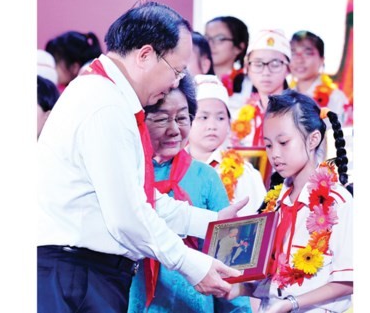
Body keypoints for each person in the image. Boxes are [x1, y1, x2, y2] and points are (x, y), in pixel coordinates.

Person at [37, 1, 249, 313]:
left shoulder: (105, 96)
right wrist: (191, 264)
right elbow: (128, 217)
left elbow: (142, 200)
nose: (176, 83)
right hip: (75, 275)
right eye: (176, 70)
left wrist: (210, 222)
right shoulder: (105, 106)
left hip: (80, 273)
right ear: (146, 55)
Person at [128, 75, 251, 313]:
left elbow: (228, 256)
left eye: (183, 118)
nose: (174, 129)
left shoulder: (205, 177)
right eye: (163, 118)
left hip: (195, 304)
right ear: (141, 122)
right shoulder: (129, 173)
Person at [227, 89, 353, 313]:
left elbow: (348, 281)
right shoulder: (273, 203)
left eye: (283, 142)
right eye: (268, 145)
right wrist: (241, 289)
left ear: (313, 138)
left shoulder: (339, 202)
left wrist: (291, 303)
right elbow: (275, 280)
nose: (274, 153)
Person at [188, 74, 266, 216]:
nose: (212, 126)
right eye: (203, 117)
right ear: (186, 121)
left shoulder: (245, 174)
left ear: (229, 125)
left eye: (220, 118)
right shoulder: (171, 167)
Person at [231, 29, 291, 147]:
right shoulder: (237, 116)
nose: (266, 72)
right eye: (258, 64)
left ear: (288, 68)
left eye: (275, 64)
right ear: (247, 68)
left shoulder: (300, 113)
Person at [288, 30, 349, 125]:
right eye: (293, 53)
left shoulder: (336, 98)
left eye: (307, 53)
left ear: (322, 59)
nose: (299, 60)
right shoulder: (285, 96)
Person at [205, 16, 253, 116]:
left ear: (239, 47)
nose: (210, 44)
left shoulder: (250, 84)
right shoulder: (196, 81)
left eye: (220, 38)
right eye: (207, 38)